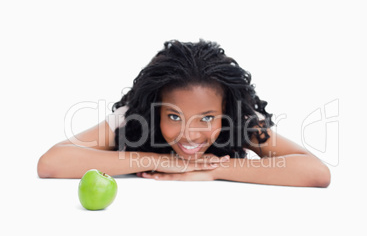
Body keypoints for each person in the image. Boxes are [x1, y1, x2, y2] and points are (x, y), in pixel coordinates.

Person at [37, 39, 330, 187]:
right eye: (174, 117)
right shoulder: (132, 118)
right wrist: (164, 162)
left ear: (225, 112)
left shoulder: (238, 122)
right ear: (155, 110)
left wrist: (213, 170)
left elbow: (316, 173)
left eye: (206, 118)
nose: (190, 134)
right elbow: (51, 164)